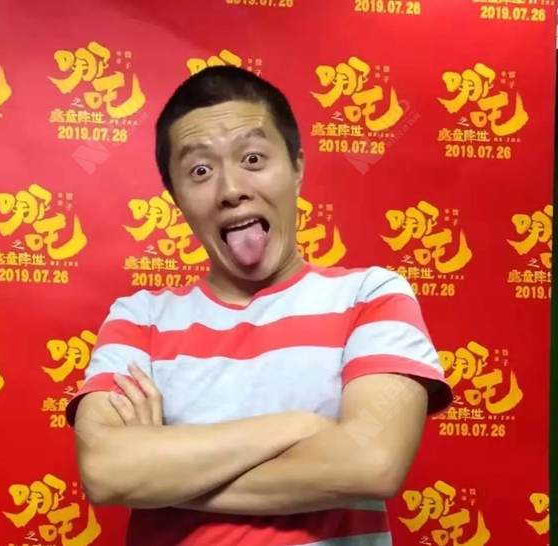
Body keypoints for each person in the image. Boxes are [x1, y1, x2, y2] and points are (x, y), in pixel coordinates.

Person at [66, 66, 453, 546]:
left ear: (297, 168)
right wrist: (301, 427)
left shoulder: (371, 296)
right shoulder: (138, 319)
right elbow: (106, 471)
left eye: (252, 158)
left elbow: (371, 463)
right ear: (176, 198)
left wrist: (160, 477)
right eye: (200, 171)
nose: (231, 190)